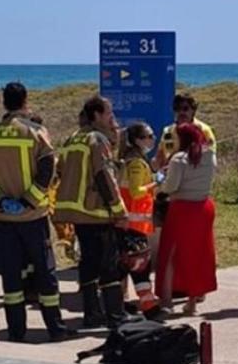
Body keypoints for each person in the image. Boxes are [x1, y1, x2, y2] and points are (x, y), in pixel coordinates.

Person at [0, 82, 70, 342]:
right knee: (45, 274)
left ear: (4, 103)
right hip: (33, 217)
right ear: (25, 101)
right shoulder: (35, 132)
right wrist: (29, 201)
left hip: (1, 219)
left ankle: (15, 330)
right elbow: (48, 168)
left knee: (11, 277)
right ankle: (55, 328)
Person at [54, 95, 137, 328]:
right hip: (96, 211)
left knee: (88, 263)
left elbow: (61, 170)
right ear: (97, 115)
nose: (113, 118)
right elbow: (104, 176)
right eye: (109, 113)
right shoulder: (97, 140)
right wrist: (119, 210)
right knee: (109, 265)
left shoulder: (73, 138)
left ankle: (91, 313)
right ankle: (115, 315)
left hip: (76, 212)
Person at [156, 123, 218, 315]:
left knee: (171, 254)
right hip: (203, 207)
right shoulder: (210, 156)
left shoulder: (178, 159)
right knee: (198, 254)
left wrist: (160, 180)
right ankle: (192, 300)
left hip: (182, 208)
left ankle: (166, 300)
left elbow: (171, 187)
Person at [119, 121, 161, 318]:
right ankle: (149, 306)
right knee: (140, 267)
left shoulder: (131, 159)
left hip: (128, 221)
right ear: (137, 140)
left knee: (125, 267)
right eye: (148, 136)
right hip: (134, 223)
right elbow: (136, 192)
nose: (152, 139)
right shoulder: (136, 163)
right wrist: (155, 183)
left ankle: (121, 305)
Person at [153, 93, 216, 171]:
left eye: (185, 108)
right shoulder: (167, 131)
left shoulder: (204, 130)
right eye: (177, 109)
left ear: (193, 110)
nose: (181, 112)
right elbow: (161, 155)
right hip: (170, 177)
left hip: (193, 177)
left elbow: (210, 156)